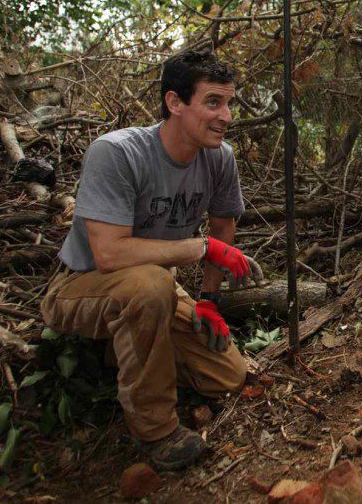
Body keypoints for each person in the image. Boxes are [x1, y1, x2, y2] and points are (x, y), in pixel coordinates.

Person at [41, 48, 260, 470]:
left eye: (229, 103)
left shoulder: (219, 158)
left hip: (153, 290)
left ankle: (125, 349)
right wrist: (199, 249)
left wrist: (209, 300)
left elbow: (222, 229)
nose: (226, 116)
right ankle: (156, 431)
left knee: (228, 377)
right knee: (150, 286)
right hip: (80, 288)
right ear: (174, 103)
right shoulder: (117, 153)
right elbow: (109, 254)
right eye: (213, 102)